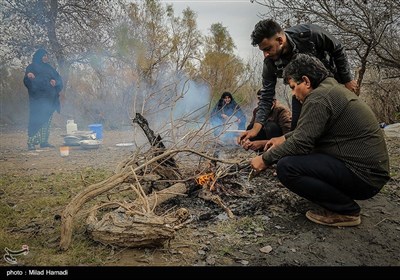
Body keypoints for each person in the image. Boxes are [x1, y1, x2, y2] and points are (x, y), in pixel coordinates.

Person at [250, 54, 390, 227]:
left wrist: (264, 159)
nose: (294, 94)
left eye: (294, 87)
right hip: (371, 173)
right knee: (301, 154)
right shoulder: (329, 89)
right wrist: (282, 138)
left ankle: (346, 210)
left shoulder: (318, 98)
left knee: (287, 167)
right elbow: (308, 131)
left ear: (306, 81)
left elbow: (302, 143)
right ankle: (337, 199)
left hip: (365, 177)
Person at [239, 19, 358, 144]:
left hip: (329, 86)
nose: (265, 55)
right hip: (301, 94)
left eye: (268, 49)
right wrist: (255, 129)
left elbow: (337, 48)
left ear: (280, 40)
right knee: (297, 132)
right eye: (262, 51)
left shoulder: (310, 34)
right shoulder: (269, 63)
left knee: (337, 125)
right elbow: (266, 96)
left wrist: (347, 80)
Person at [23, 48, 63, 150]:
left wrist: (55, 81)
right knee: (37, 120)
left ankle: (44, 141)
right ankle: (31, 142)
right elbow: (26, 81)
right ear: (38, 56)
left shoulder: (49, 68)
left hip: (50, 99)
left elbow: (58, 79)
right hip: (38, 100)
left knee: (47, 121)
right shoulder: (31, 67)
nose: (46, 57)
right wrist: (28, 76)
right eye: (44, 55)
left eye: (46, 55)